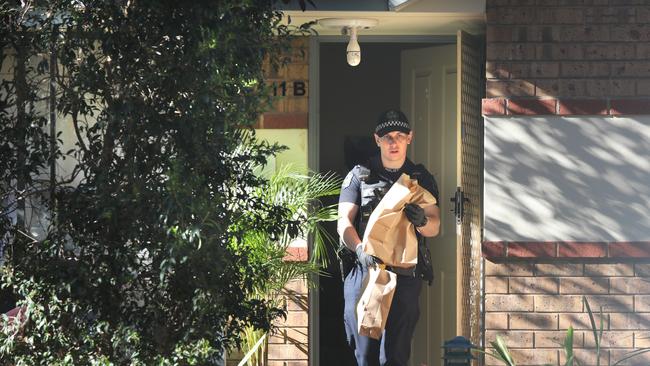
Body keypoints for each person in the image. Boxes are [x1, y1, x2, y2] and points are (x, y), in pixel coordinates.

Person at [337, 109, 440, 366]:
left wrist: (423, 221)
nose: (393, 142)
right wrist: (360, 249)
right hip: (365, 272)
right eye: (387, 137)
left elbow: (435, 226)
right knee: (365, 355)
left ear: (409, 138)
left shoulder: (420, 178)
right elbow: (344, 222)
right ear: (377, 139)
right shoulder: (359, 175)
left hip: (404, 276)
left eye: (399, 136)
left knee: (395, 355)